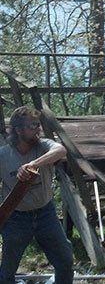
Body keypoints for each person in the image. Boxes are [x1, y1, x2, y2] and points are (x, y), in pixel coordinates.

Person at [0, 106, 73, 284]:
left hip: (46, 214)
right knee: (7, 271)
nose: (37, 129)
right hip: (16, 218)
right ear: (18, 130)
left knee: (65, 261)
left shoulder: (44, 146)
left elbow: (61, 150)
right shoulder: (3, 155)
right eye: (32, 125)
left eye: (38, 124)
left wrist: (33, 164)